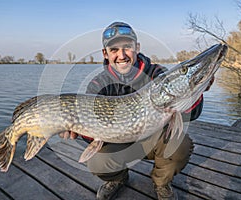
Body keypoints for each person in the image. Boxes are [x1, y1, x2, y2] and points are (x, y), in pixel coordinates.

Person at [59, 21, 209, 200]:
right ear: (105, 54)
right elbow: (92, 129)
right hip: (118, 141)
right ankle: (118, 179)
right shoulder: (97, 85)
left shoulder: (157, 74)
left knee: (180, 145)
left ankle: (161, 183)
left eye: (127, 47)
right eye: (114, 50)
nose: (121, 55)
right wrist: (77, 128)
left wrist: (195, 91)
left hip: (153, 141)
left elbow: (191, 114)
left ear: (137, 48)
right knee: (97, 162)